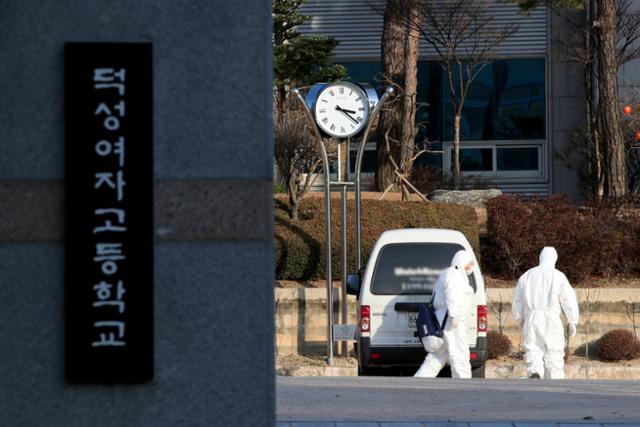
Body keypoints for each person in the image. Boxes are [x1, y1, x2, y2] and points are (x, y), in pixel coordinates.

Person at [512, 246, 579, 379]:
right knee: (554, 350)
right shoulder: (559, 276)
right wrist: (572, 321)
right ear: (554, 259)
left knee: (533, 348)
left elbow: (518, 300)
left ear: (541, 258)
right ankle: (554, 378)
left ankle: (535, 371)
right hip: (551, 319)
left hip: (531, 317)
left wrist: (520, 318)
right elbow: (568, 299)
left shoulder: (527, 275)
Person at [414, 250, 475, 378]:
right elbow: (453, 295)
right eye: (470, 263)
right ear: (462, 262)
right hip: (451, 322)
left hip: (444, 319)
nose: (471, 267)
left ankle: (420, 381)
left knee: (438, 355)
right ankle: (464, 386)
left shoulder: (448, 273)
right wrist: (455, 315)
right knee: (460, 354)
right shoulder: (456, 274)